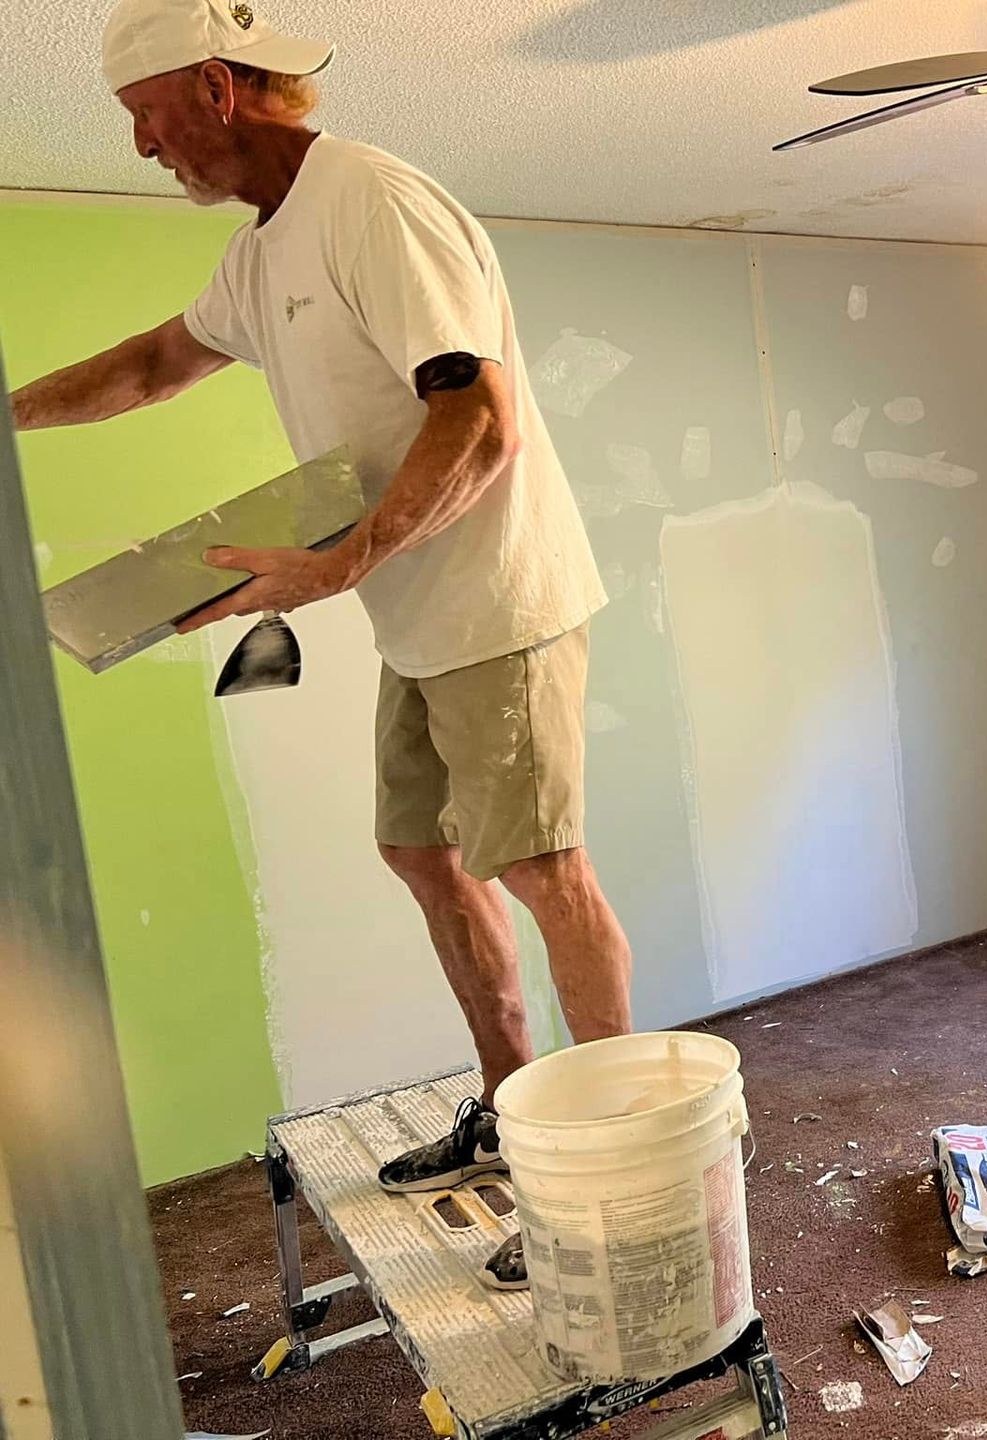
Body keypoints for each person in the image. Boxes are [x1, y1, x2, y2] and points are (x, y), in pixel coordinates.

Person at [8, 0, 632, 1290]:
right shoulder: (263, 249)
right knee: (420, 846)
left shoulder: (373, 202)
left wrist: (341, 563)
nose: (141, 148)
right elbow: (153, 367)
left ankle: (613, 1174)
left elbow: (478, 418)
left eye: (144, 118)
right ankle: (516, 1113)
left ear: (219, 90)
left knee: (546, 868)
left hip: (497, 602)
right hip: (419, 611)